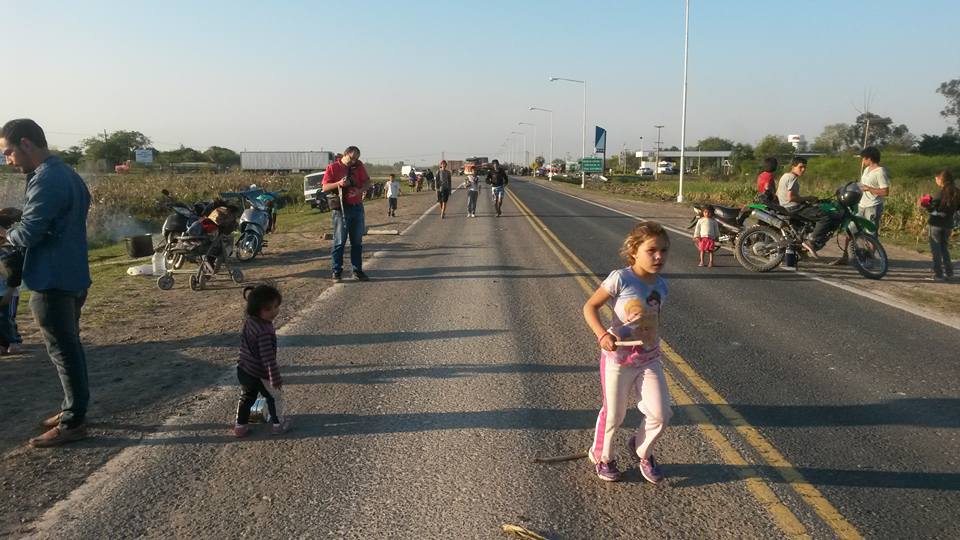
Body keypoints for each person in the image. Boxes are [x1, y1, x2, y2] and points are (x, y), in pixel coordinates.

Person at [0, 119, 92, 447]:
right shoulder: (66, 173)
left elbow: (30, 233)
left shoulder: (47, 178)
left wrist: (6, 232)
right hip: (73, 273)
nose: (8, 159)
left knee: (62, 350)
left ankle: (74, 421)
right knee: (69, 347)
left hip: (51, 278)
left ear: (26, 144)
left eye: (8, 152)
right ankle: (74, 407)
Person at [583, 221, 672, 484]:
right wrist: (602, 335)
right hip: (618, 359)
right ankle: (603, 456)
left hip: (649, 358)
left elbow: (652, 319)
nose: (659, 256)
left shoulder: (662, 285)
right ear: (634, 251)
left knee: (662, 414)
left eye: (664, 251)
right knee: (615, 414)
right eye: (652, 250)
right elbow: (590, 307)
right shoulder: (620, 278)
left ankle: (642, 450)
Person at [233, 285, 291, 437]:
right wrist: (274, 377)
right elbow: (267, 358)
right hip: (260, 372)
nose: (274, 312)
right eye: (268, 309)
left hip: (244, 368)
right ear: (256, 310)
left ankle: (240, 426)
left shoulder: (250, 322)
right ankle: (278, 424)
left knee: (246, 397)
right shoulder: (264, 331)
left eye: (276, 307)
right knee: (274, 397)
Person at [321, 146, 370, 282]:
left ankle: (357, 271)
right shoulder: (333, 167)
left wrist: (359, 191)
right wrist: (339, 183)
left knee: (357, 242)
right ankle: (336, 271)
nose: (354, 161)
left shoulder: (359, 166)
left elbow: (367, 182)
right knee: (339, 242)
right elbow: (324, 187)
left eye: (356, 159)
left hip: (357, 207)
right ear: (345, 154)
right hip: (341, 209)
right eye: (352, 158)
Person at [776, 157, 835, 257]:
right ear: (793, 166)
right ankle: (811, 242)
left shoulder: (785, 176)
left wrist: (806, 200)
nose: (803, 170)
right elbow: (791, 198)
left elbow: (779, 193)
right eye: (800, 167)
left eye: (804, 168)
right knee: (825, 217)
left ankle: (802, 245)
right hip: (793, 207)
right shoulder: (792, 178)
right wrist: (808, 198)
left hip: (785, 206)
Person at [919, 169, 959, 281]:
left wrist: (924, 203)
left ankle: (938, 274)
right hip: (948, 225)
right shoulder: (956, 192)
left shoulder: (940, 193)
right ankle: (949, 273)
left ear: (941, 179)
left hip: (936, 224)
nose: (935, 180)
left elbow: (932, 207)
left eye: (936, 178)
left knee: (936, 250)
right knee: (944, 248)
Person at [858, 146, 890, 231]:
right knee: (852, 230)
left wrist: (868, 188)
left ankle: (873, 244)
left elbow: (885, 192)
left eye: (864, 158)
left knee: (870, 233)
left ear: (869, 159)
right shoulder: (866, 169)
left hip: (872, 206)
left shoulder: (880, 172)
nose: (863, 161)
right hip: (861, 205)